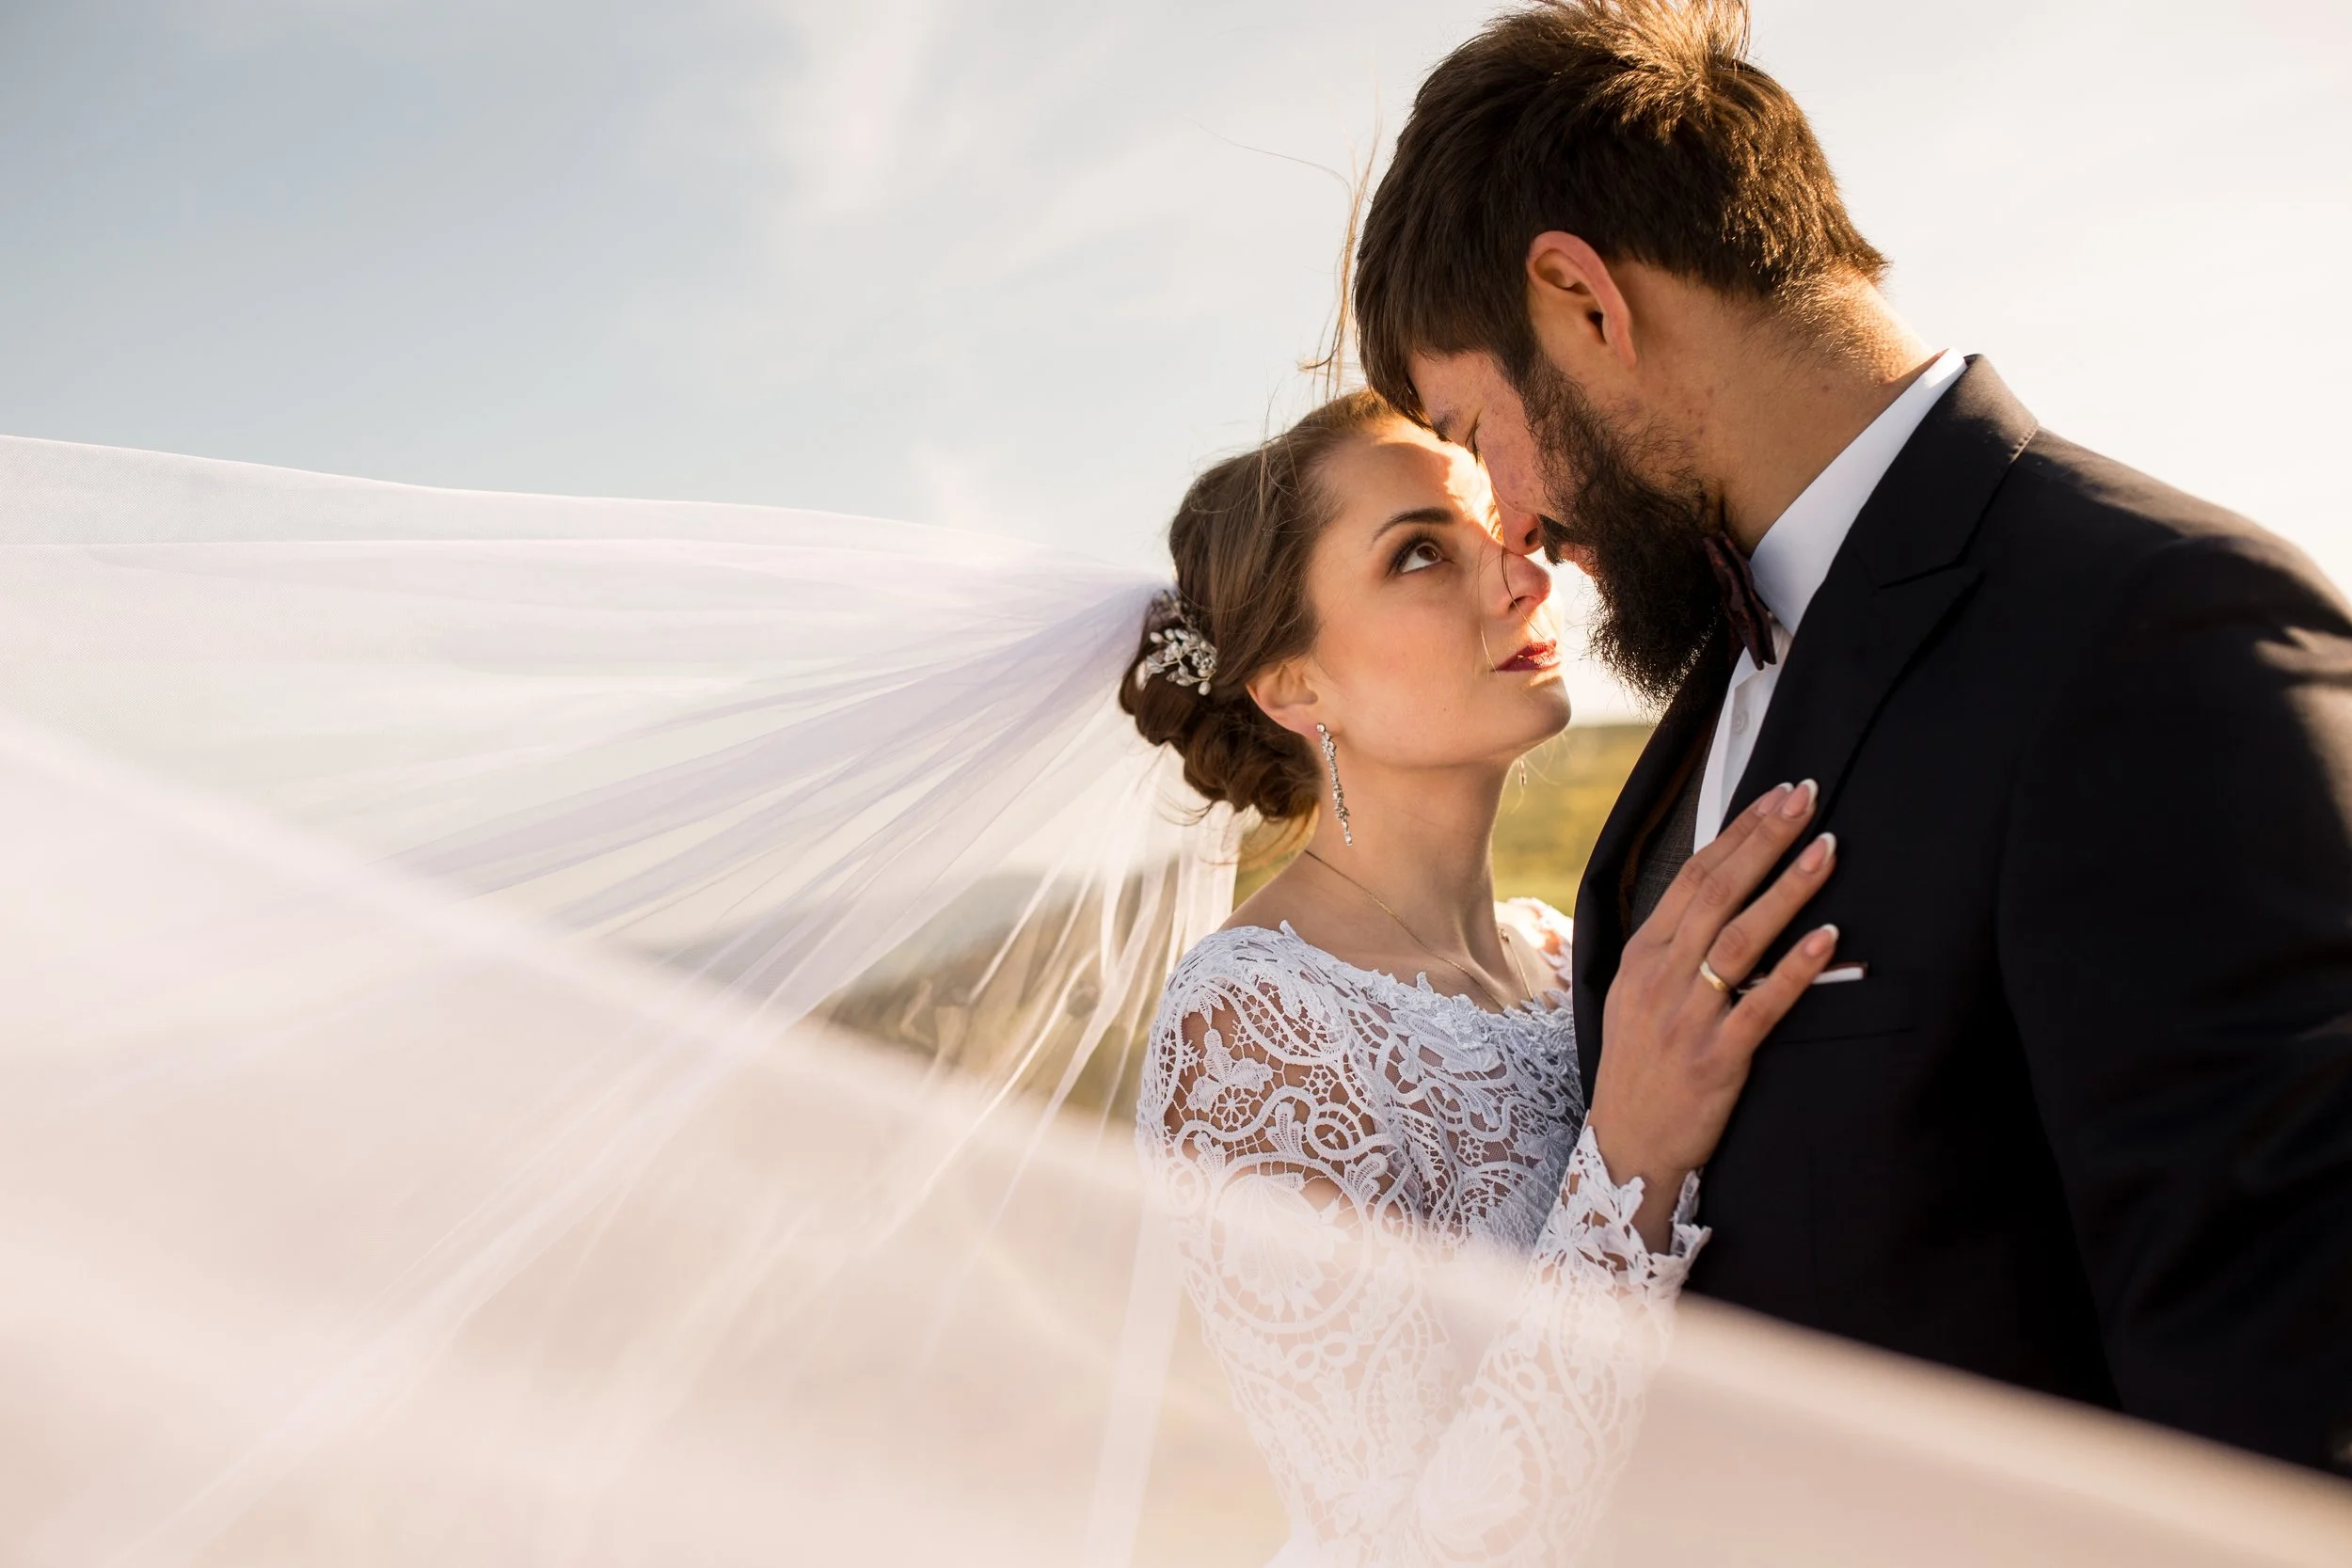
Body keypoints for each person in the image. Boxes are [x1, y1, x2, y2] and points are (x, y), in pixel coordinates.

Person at [1349, 0, 2352, 1474]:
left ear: (1582, 301)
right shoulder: (1700, 717)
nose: (1512, 523)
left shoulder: (2154, 630)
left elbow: (2279, 1432)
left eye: (1474, 424)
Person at [1120, 389, 1842, 1563]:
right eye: (1418, 554)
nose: (1522, 579)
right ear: (1294, 685)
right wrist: (1634, 1158)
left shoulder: (1562, 952)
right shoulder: (1251, 1025)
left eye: (1499, 537)